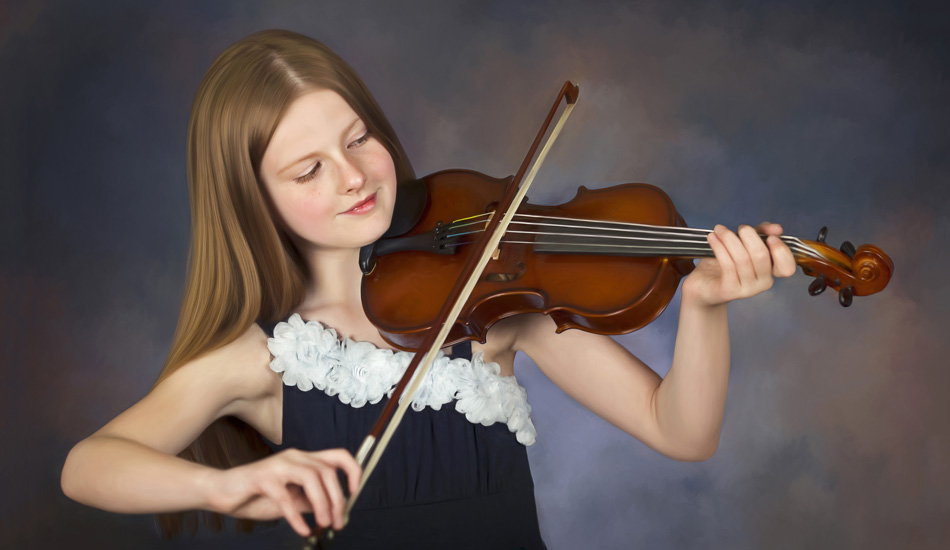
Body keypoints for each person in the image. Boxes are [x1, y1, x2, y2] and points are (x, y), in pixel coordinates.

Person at [60, 29, 797, 549]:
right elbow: (89, 465)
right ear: (256, 201)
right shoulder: (266, 359)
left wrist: (703, 305)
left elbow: (683, 432)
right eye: (307, 169)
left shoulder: (491, 311)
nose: (352, 176)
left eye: (356, 139)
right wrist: (220, 488)